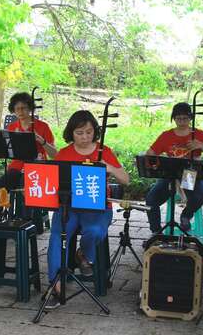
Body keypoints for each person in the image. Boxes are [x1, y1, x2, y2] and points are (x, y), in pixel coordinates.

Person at [45, 110, 129, 309]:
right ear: (71, 133)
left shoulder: (104, 151)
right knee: (58, 236)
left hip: (97, 208)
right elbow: (53, 180)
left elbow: (126, 179)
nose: (84, 137)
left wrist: (109, 167)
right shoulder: (64, 154)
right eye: (79, 133)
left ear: (95, 132)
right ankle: (56, 288)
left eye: (89, 132)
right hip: (69, 207)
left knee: (95, 231)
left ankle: (83, 255)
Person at [0, 92, 57, 238]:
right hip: (16, 168)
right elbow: (6, 151)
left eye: (24, 108)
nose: (21, 112)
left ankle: (25, 225)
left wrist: (42, 141)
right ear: (13, 110)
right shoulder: (12, 126)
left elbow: (55, 154)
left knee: (24, 185)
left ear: (30, 109)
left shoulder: (42, 127)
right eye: (17, 109)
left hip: (37, 169)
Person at [145, 102, 203, 234]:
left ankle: (186, 215)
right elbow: (149, 154)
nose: (182, 121)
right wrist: (155, 164)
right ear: (173, 118)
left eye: (185, 118)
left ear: (190, 118)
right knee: (151, 199)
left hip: (189, 173)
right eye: (178, 118)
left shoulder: (199, 134)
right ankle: (156, 231)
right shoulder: (166, 135)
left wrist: (201, 145)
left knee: (198, 196)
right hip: (170, 173)